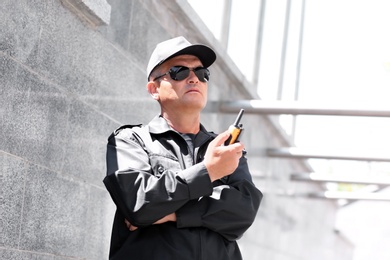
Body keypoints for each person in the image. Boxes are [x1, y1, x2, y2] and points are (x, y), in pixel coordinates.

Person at [103, 36, 262, 260]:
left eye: (201, 73)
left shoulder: (225, 149)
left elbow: (242, 213)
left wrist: (174, 213)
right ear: (153, 88)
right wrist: (210, 172)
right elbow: (139, 204)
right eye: (179, 71)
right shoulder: (131, 140)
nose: (194, 79)